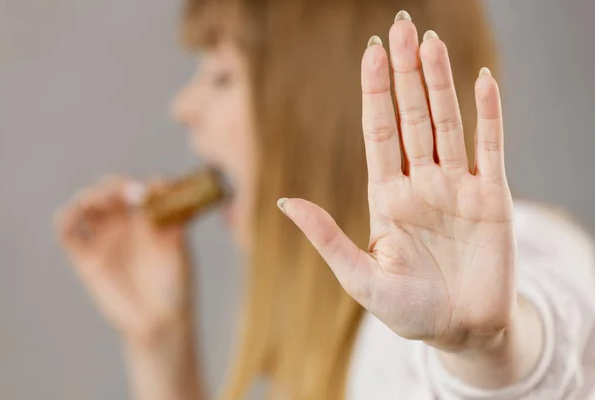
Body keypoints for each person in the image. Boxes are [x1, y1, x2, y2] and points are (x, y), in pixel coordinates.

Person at [54, 0, 595, 399]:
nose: (182, 106)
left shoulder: (525, 252)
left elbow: (547, 348)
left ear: (321, 110)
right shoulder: (365, 328)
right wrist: (160, 346)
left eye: (221, 77)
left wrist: (489, 352)